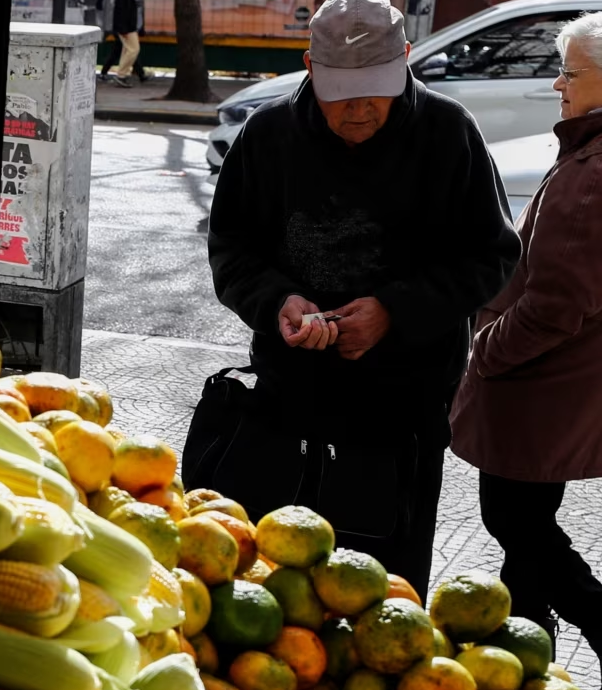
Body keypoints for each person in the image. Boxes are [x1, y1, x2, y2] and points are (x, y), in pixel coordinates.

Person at [203, 0, 520, 595]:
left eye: (375, 89)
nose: (360, 108)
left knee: (386, 587)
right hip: (287, 394)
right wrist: (278, 304)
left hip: (404, 405)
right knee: (276, 581)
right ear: (309, 67)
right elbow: (231, 250)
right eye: (342, 90)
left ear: (404, 61)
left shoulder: (449, 132)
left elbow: (493, 254)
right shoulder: (267, 135)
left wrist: (395, 312)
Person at [448, 4, 602, 687]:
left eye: (571, 73)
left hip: (546, 376)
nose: (559, 85)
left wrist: (488, 351)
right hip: (586, 372)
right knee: (530, 515)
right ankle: (527, 646)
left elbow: (559, 302)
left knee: (514, 517)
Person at [108, 0, 143, 87]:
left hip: (127, 27)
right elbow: (121, 13)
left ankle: (122, 74)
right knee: (134, 50)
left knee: (127, 50)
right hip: (127, 28)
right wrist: (123, 29)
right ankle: (122, 74)